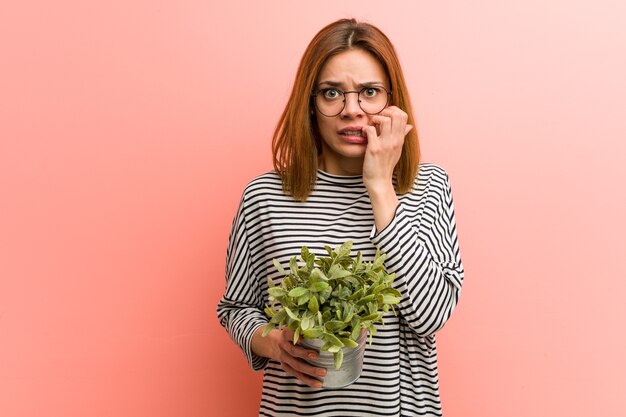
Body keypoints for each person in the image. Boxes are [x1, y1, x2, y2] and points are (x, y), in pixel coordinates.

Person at [217, 18, 464, 416]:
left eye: (369, 92)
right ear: (311, 104)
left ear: (393, 101)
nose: (352, 110)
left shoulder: (428, 187)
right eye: (332, 93)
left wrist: (381, 186)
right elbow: (236, 309)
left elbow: (431, 315)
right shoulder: (265, 196)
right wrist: (271, 341)